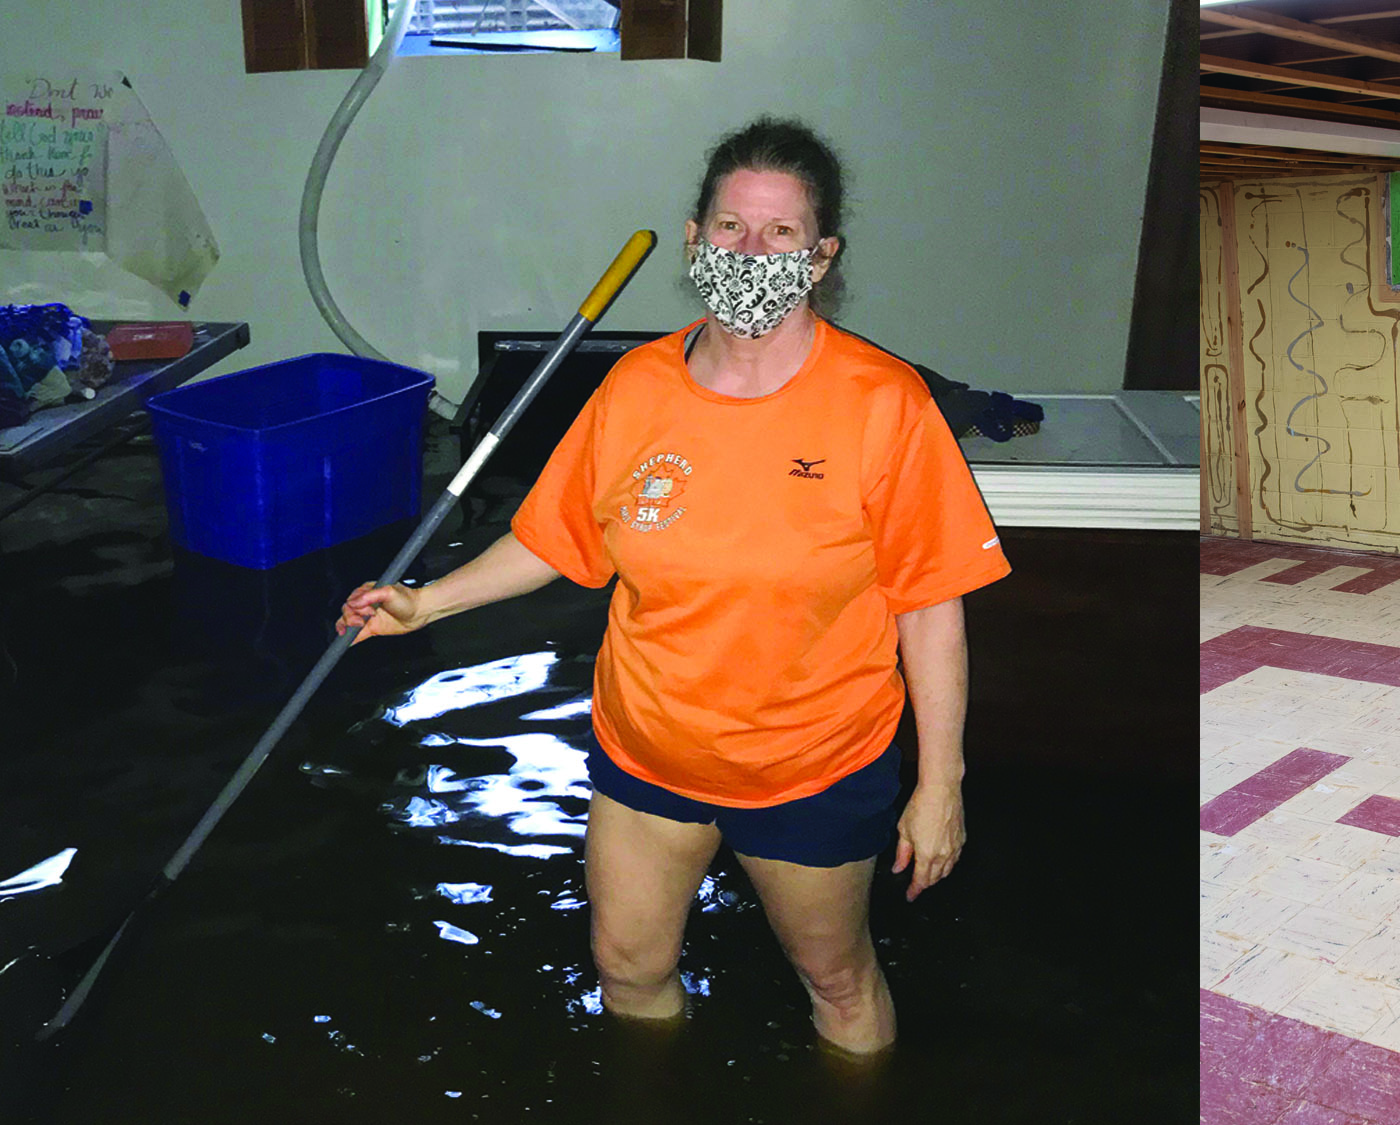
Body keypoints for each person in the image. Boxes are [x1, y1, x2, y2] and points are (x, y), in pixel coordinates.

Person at [336, 116, 1010, 1050]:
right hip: (648, 752)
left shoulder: (883, 404)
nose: (751, 250)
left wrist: (942, 783)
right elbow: (559, 537)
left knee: (838, 983)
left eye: (781, 234)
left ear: (820, 258)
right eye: (731, 227)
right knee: (628, 972)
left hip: (809, 768)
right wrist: (426, 602)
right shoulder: (636, 389)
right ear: (695, 240)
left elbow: (931, 605)